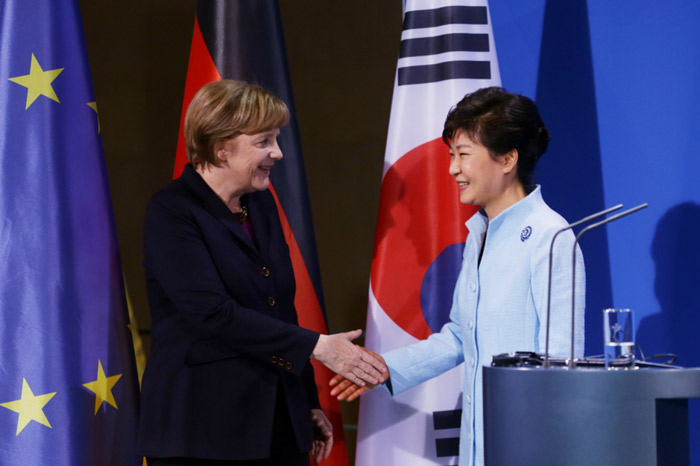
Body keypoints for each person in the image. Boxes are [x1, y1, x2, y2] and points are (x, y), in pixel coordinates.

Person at [331, 87, 585, 466]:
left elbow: (562, 363)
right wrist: (387, 368)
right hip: (478, 445)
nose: (452, 169)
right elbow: (459, 336)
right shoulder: (480, 234)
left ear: (508, 159)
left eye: (463, 155)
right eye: (452, 155)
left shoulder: (550, 236)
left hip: (527, 445)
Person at [138, 80, 386, 466]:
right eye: (264, 142)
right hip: (201, 431)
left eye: (277, 139)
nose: (278, 153)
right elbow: (212, 312)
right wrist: (320, 347)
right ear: (221, 147)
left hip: (276, 424)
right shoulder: (172, 211)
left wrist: (305, 402)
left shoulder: (261, 204)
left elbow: (279, 310)